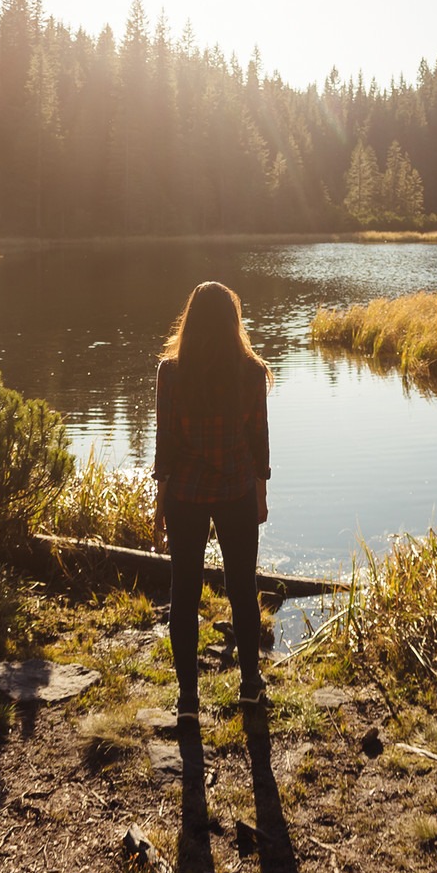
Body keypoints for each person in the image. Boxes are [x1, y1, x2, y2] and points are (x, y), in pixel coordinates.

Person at [151, 280, 270, 721]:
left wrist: (160, 504)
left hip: (184, 493)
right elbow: (259, 439)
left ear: (191, 320)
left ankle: (187, 701)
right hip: (237, 490)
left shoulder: (171, 372)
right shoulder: (251, 372)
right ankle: (250, 686)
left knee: (183, 593)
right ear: (233, 323)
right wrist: (260, 493)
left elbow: (165, 445)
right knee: (243, 588)